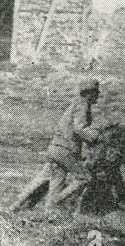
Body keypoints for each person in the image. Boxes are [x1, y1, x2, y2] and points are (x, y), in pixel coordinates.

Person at [12, 79, 102, 214]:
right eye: (96, 93)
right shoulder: (82, 105)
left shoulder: (75, 105)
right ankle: (56, 202)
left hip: (56, 148)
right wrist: (96, 138)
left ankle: (17, 207)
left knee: (53, 180)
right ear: (89, 93)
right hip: (65, 149)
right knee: (85, 178)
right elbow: (79, 129)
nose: (98, 96)